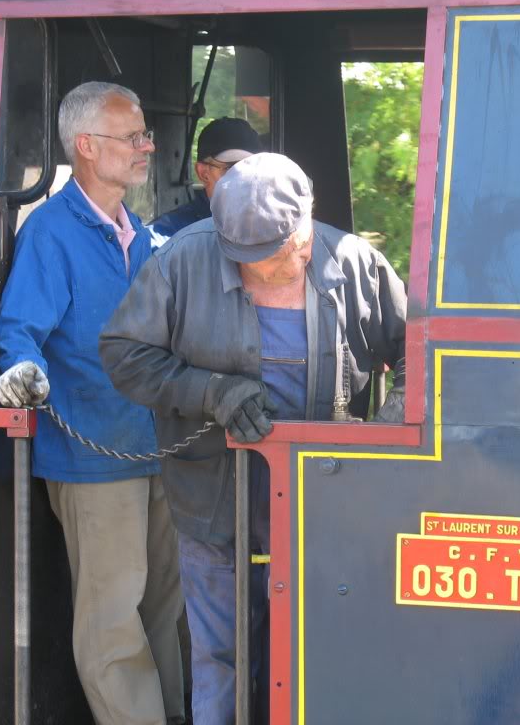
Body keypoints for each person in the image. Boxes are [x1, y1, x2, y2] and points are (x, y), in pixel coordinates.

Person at [99, 152, 407, 724]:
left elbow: (421, 355)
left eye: (295, 248)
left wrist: (383, 435)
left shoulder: (356, 262)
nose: (292, 263)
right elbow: (124, 356)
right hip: (215, 499)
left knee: (321, 650)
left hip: (327, 505)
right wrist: (209, 391)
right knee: (222, 657)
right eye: (262, 264)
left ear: (308, 222)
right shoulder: (180, 263)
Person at [0, 81, 184, 725]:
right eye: (132, 137)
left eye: (145, 135)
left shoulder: (147, 238)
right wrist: (19, 369)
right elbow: (18, 332)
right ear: (86, 147)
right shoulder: (50, 233)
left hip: (159, 448)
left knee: (167, 607)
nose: (145, 147)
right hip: (94, 457)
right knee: (111, 618)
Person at [148, 117, 262, 248]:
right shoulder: (169, 236)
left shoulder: (277, 223)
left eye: (254, 167)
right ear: (203, 173)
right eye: (231, 168)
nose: (244, 177)